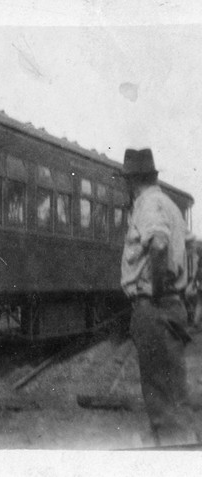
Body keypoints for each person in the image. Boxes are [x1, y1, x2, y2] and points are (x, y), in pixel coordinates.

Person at [119, 148, 200, 446]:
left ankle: (172, 452)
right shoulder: (169, 205)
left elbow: (159, 243)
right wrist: (188, 284)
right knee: (173, 393)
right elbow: (194, 246)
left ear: (132, 181)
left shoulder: (147, 204)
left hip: (154, 306)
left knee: (161, 396)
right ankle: (181, 446)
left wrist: (155, 288)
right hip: (172, 305)